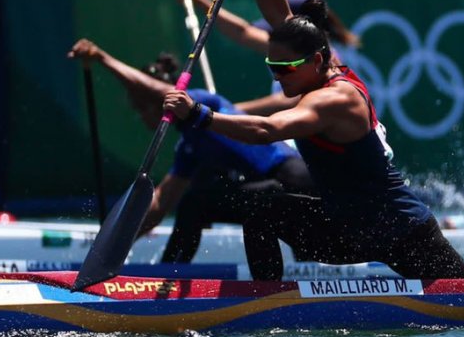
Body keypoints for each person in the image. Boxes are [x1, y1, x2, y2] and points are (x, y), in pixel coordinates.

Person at [162, 0, 464, 281]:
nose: (277, 77)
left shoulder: (335, 99)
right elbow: (277, 13)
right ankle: (268, 307)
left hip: (398, 227)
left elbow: (267, 130)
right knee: (262, 211)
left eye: (285, 69)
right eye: (271, 67)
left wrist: (200, 115)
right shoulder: (320, 60)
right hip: (346, 226)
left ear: (315, 61)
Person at [68, 38, 314, 263]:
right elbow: (161, 202)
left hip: (293, 182)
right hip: (268, 193)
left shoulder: (202, 102)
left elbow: (156, 91)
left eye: (142, 108)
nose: (141, 117)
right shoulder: (189, 146)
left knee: (196, 201)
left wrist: (102, 58)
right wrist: (114, 244)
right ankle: (170, 274)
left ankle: (174, 273)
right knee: (194, 203)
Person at [176, 0, 359, 116]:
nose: (278, 75)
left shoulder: (326, 60)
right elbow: (242, 32)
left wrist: (226, 110)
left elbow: (288, 102)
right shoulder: (293, 49)